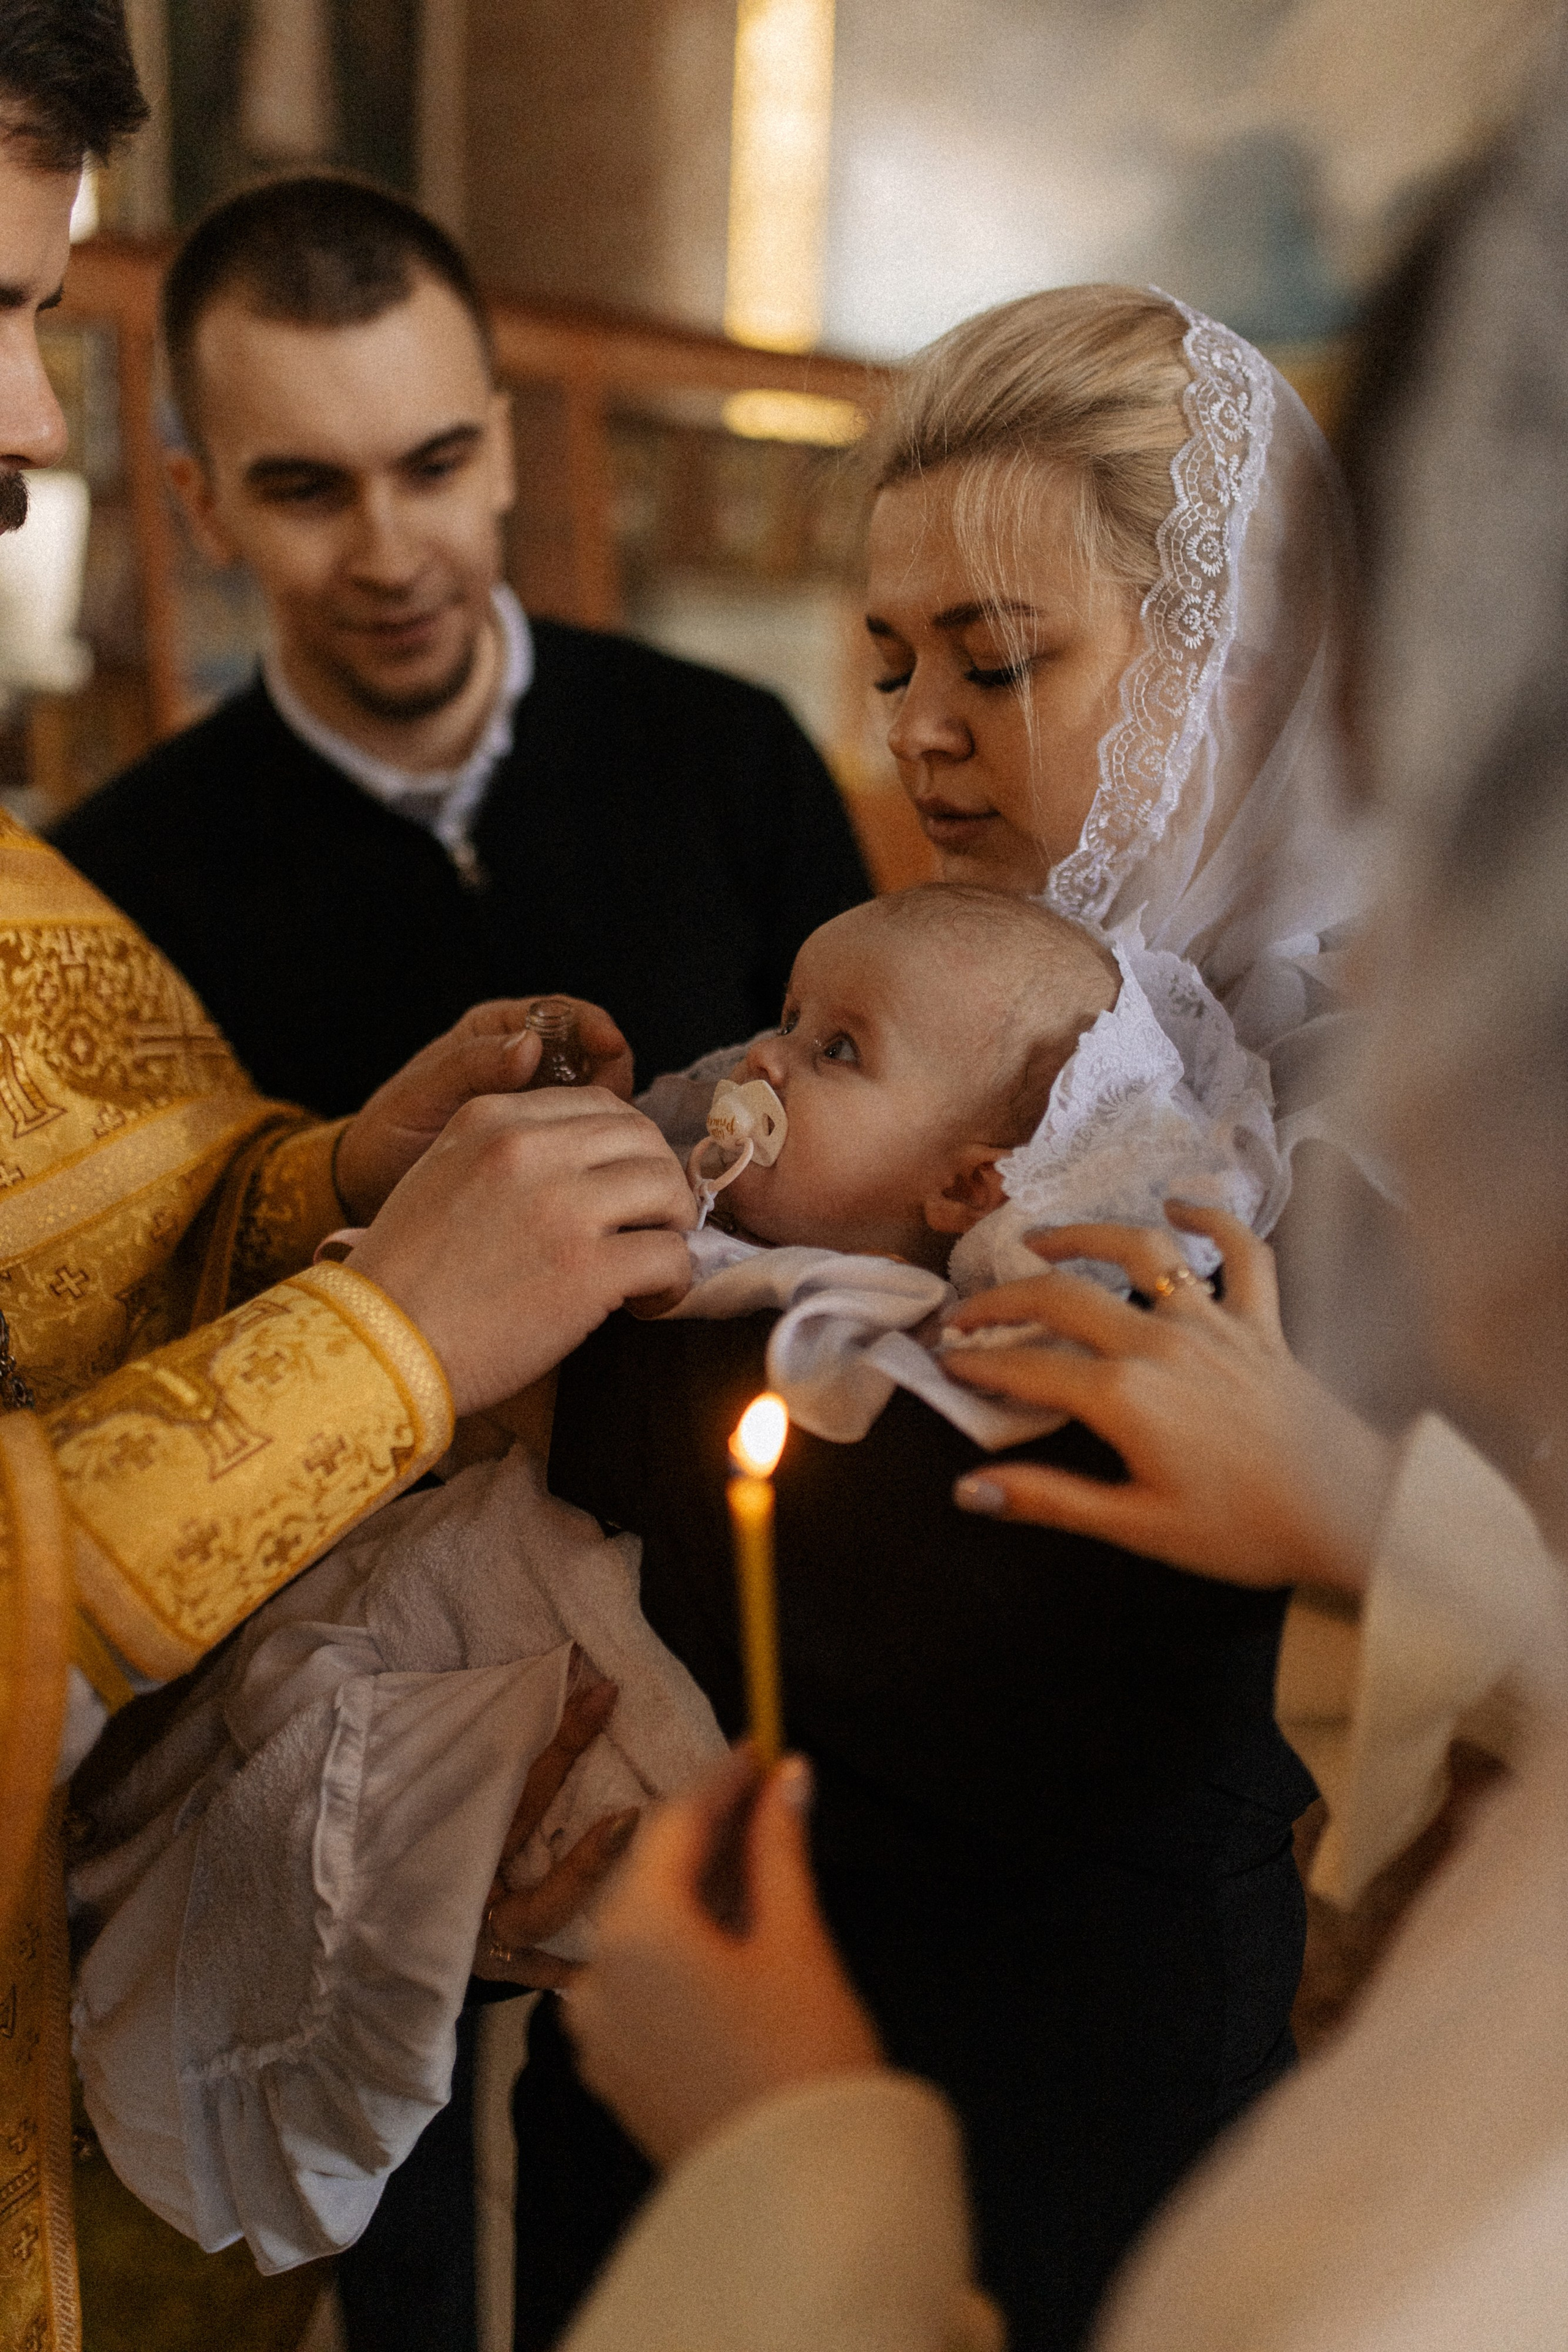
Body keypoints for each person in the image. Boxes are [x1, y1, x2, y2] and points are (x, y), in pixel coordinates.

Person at [529, 53, 1568, 2352]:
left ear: (1251, 666)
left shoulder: (1413, 1126)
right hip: (678, 2048)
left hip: (1092, 2124)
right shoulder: (887, 1013)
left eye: (1000, 663)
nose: (914, 731)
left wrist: (1352, 1506)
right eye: (890, 660)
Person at [68, 877, 1267, 2275]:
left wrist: (458, 1319)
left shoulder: (881, 1335)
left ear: (965, 1185)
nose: (763, 1058)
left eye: (835, 1049)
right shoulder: (742, 1233)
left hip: (971, 2079)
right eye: (786, 1017)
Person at [0, 19, 699, 2352]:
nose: (27, 424)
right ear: (208, 504)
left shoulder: (709, 750)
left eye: (39, 318)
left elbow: (54, 1229)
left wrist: (317, 1196)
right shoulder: (146, 837)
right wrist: (387, 1336)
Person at [47, 172, 869, 1117]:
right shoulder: (119, 891)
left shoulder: (736, 755)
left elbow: (888, 1128)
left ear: (502, 454)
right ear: (203, 509)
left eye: (435, 468)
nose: (392, 561)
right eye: (307, 491)